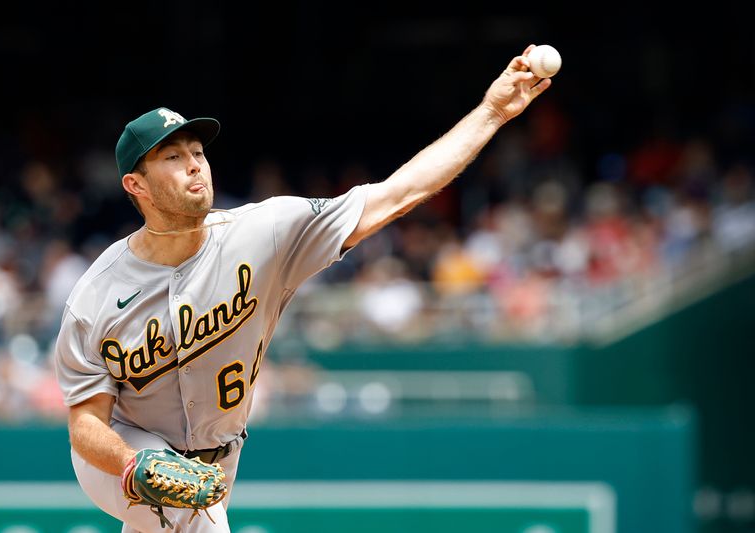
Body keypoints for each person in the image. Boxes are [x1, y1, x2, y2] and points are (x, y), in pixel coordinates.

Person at [54, 45, 552, 532]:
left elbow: (397, 196)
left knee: (189, 508)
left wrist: (490, 112)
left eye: (198, 151)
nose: (194, 164)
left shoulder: (265, 231)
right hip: (117, 458)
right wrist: (131, 466)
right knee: (185, 511)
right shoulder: (96, 294)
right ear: (135, 185)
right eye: (172, 156)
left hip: (218, 459)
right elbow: (85, 427)